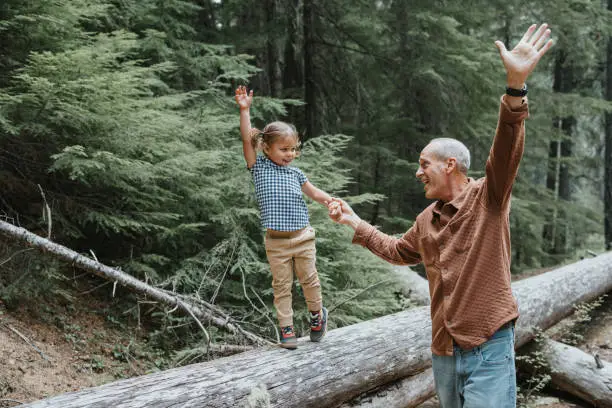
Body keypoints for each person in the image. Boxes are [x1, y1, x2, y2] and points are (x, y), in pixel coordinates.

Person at [328, 24, 553, 407]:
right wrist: (354, 222)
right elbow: (398, 251)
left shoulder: (490, 197)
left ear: (450, 165)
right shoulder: (425, 220)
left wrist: (515, 87)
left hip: (488, 346)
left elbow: (505, 149)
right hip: (444, 351)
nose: (418, 172)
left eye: (424, 164)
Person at [235, 85, 331, 349]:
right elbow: (246, 139)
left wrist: (331, 201)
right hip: (276, 243)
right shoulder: (258, 167)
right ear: (266, 148)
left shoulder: (295, 174)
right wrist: (245, 110)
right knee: (282, 286)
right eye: (284, 149)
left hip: (302, 237)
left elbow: (314, 193)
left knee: (309, 279)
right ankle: (286, 329)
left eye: (294, 149)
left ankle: (317, 317)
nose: (291, 154)